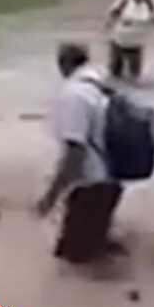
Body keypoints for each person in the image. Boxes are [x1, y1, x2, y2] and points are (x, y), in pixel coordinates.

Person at [35, 43, 126, 264]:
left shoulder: (74, 95)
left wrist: (51, 196)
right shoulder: (102, 85)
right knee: (97, 257)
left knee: (71, 264)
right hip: (113, 181)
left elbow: (75, 153)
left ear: (63, 64)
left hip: (91, 188)